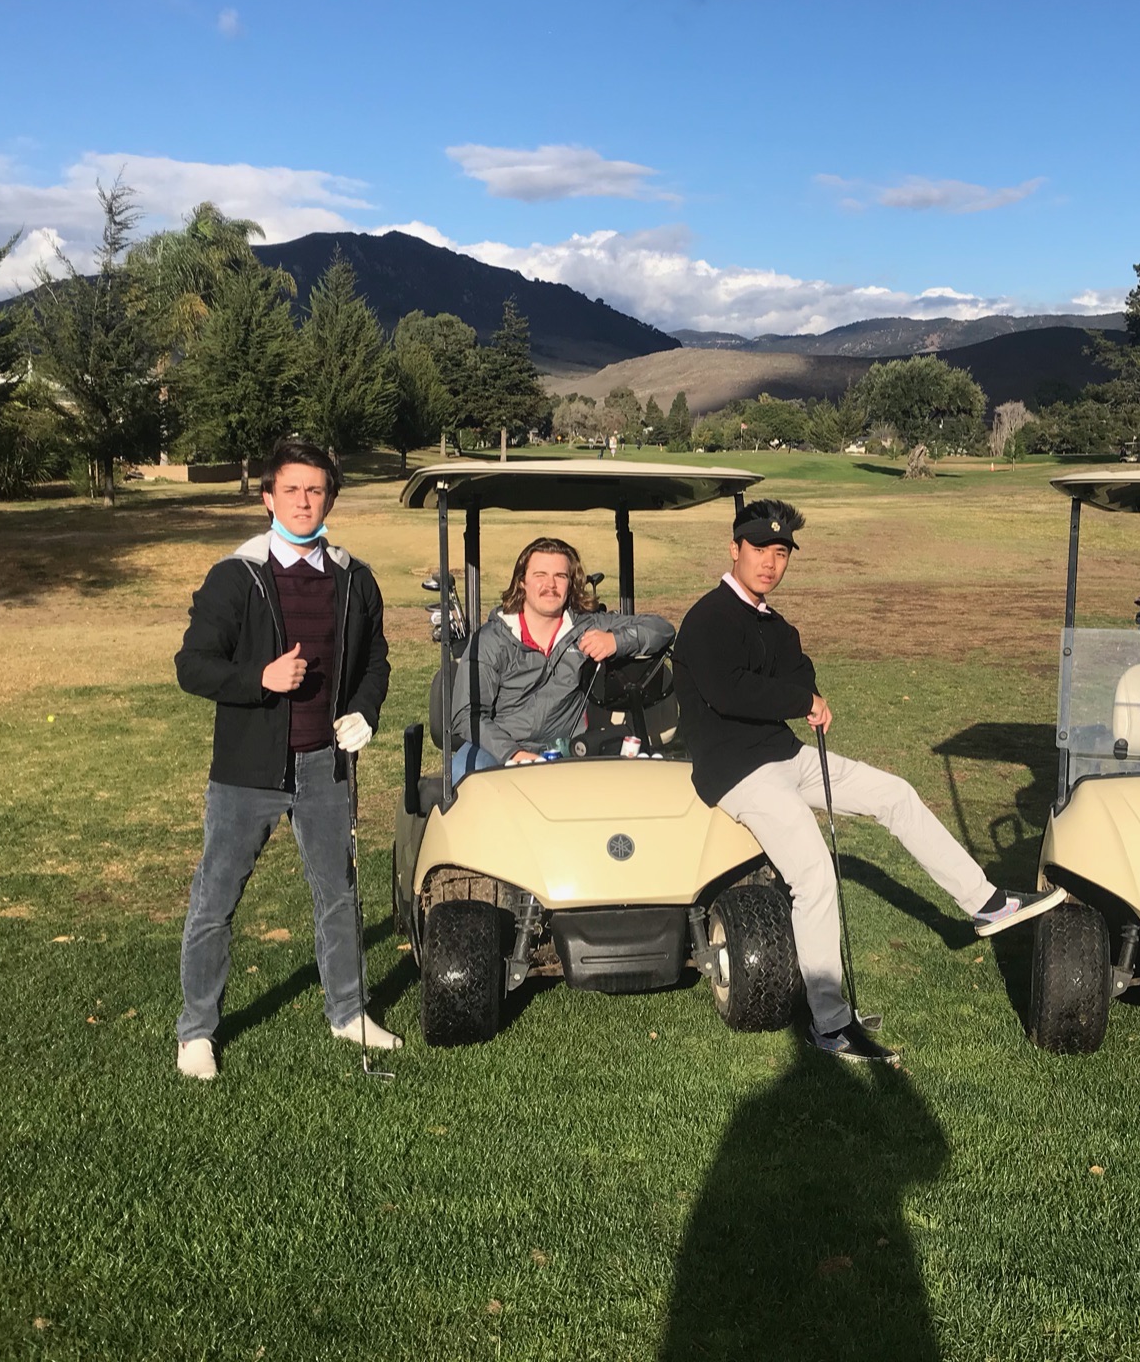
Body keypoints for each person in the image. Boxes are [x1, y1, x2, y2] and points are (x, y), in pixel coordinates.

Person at [674, 499, 1064, 1064]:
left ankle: (985, 903)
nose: (770, 562)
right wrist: (798, 697)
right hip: (738, 773)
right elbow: (731, 692)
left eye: (780, 553)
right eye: (759, 549)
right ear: (735, 549)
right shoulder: (707, 617)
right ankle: (829, 1025)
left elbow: (800, 673)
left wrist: (796, 693)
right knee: (814, 876)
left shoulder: (775, 624)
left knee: (894, 793)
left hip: (784, 755)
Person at [171, 438, 394, 1080]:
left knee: (338, 895)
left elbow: (375, 658)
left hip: (326, 764)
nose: (304, 501)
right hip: (248, 771)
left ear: (329, 499)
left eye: (316, 490)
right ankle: (197, 1033)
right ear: (268, 497)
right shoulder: (235, 576)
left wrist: (364, 711)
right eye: (291, 489)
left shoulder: (355, 577)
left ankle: (349, 1013)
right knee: (216, 899)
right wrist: (259, 680)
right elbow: (192, 666)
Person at [448, 536, 674, 780]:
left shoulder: (586, 626)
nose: (550, 585)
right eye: (540, 575)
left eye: (560, 576)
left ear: (571, 583)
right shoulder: (491, 639)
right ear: (522, 581)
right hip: (499, 750)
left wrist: (616, 641)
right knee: (464, 771)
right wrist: (516, 755)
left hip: (567, 751)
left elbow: (662, 629)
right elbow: (467, 714)